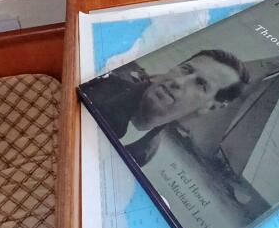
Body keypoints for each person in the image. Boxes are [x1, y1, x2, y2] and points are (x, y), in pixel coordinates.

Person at [85, 49, 250, 164]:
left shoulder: (147, 150)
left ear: (211, 107)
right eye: (185, 69)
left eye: (200, 84)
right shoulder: (99, 88)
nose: (178, 81)